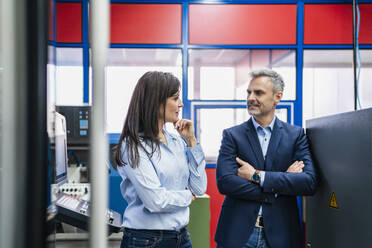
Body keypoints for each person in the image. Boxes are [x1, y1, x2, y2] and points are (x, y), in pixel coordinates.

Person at [214, 69, 317, 248]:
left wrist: (257, 176)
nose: (251, 97)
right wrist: (279, 186)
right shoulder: (232, 135)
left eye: (258, 93)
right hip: (237, 234)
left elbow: (308, 182)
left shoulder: (296, 135)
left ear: (277, 97)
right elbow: (225, 182)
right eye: (249, 92)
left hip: (281, 234)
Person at [113, 71, 207, 248]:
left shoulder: (176, 141)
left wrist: (192, 142)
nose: (180, 104)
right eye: (175, 98)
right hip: (146, 240)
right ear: (155, 102)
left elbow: (199, 187)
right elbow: (156, 201)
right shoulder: (133, 145)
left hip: (181, 236)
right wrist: (188, 196)